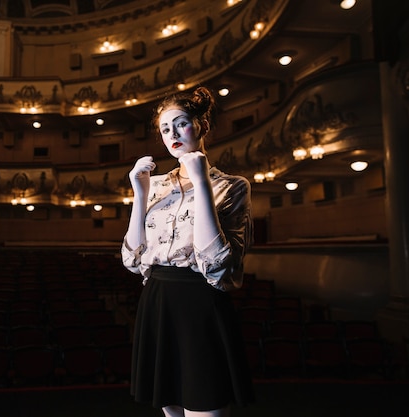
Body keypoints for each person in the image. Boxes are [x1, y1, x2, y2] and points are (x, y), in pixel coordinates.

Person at [121, 86, 254, 417]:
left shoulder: (232, 186)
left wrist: (202, 183)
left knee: (204, 407)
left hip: (201, 302)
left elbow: (218, 266)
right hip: (157, 300)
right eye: (165, 129)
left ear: (202, 126)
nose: (172, 134)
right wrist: (140, 194)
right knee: (171, 410)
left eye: (180, 124)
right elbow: (133, 260)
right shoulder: (156, 186)